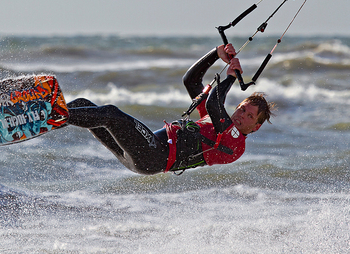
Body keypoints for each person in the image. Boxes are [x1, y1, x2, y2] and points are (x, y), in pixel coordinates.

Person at [67, 44, 275, 175]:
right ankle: (41, 121)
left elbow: (214, 103)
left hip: (153, 157)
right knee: (81, 105)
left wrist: (230, 76)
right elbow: (191, 82)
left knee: (111, 114)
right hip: (134, 156)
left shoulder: (236, 143)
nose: (241, 116)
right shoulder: (211, 120)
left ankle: (50, 113)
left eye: (249, 116)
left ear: (255, 127)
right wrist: (216, 54)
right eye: (242, 109)